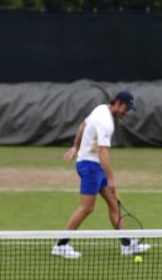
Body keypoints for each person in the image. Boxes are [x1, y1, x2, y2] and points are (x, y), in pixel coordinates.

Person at [53, 91, 150, 259]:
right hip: (90, 166)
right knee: (87, 208)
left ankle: (126, 245)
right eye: (125, 109)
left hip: (94, 165)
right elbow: (103, 153)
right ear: (117, 103)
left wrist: (75, 147)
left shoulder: (100, 109)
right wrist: (111, 178)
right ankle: (61, 245)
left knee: (114, 204)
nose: (125, 113)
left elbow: (83, 126)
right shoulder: (106, 122)